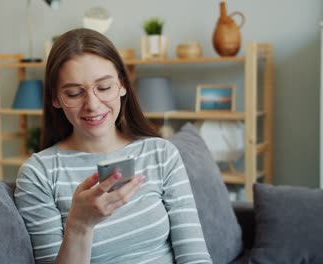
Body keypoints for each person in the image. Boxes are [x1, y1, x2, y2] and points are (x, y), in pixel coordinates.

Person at [14, 28, 212, 264]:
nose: (93, 105)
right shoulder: (40, 174)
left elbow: (195, 257)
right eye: (75, 93)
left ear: (123, 85)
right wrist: (80, 224)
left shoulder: (161, 154)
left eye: (104, 87)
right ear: (55, 98)